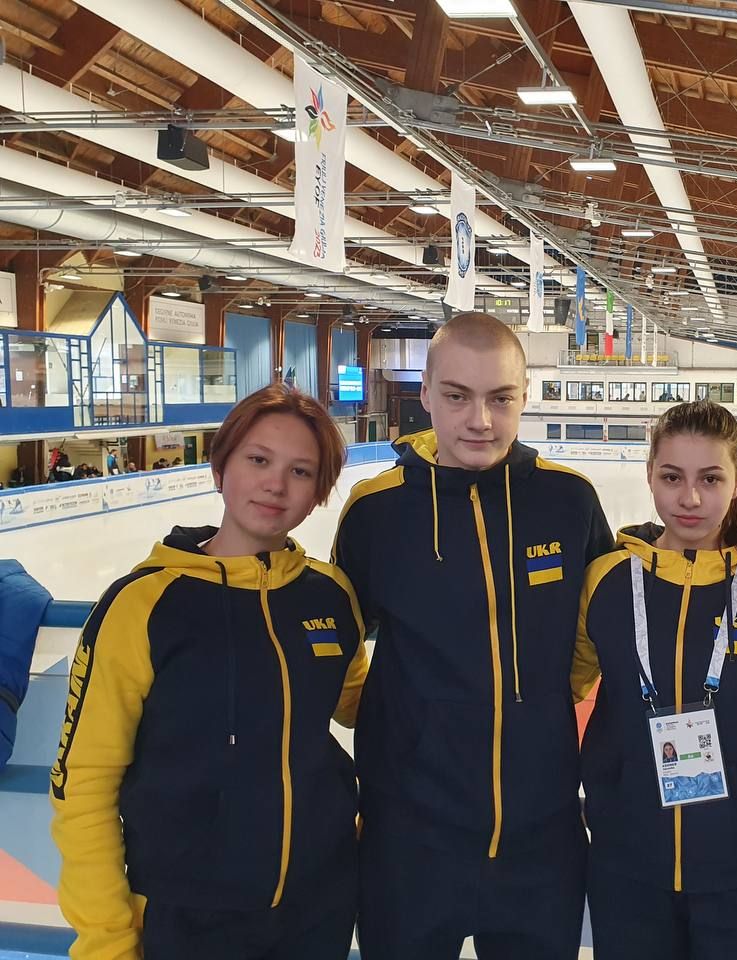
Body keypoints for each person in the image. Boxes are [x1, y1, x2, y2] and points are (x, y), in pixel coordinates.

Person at [50, 383, 369, 960]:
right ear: (221, 467)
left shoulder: (329, 594)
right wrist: (107, 941)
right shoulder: (143, 605)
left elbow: (364, 708)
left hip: (318, 907)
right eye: (258, 460)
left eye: (300, 471)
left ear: (318, 493)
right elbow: (85, 783)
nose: (276, 484)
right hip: (186, 916)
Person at [333, 312, 614, 960]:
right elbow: (337, 635)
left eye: (500, 398)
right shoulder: (377, 512)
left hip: (539, 841)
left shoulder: (568, 501)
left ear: (525, 396)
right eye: (458, 396)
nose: (480, 420)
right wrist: (379, 713)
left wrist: (553, 696)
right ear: (426, 393)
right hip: (408, 844)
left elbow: (597, 625)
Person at [572, 400, 737, 960]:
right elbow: (562, 688)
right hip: (628, 866)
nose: (690, 498)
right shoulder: (606, 581)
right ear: (649, 474)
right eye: (672, 477)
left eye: (710, 479)